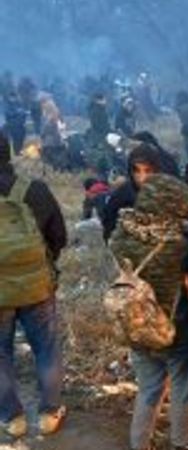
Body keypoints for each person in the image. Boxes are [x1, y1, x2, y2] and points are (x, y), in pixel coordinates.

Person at [108, 174, 188, 450]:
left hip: (134, 324)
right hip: (173, 329)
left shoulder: (120, 235)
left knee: (148, 389)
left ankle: (140, 443)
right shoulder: (180, 245)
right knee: (182, 387)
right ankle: (182, 442)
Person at [0, 130, 68, 438]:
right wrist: (43, 261)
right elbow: (60, 237)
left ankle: (12, 418)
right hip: (38, 287)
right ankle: (49, 414)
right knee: (46, 349)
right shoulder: (35, 190)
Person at [102, 143, 163, 240]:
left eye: (148, 171)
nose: (142, 178)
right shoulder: (121, 197)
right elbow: (109, 231)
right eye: (137, 171)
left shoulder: (168, 192)